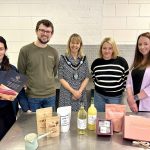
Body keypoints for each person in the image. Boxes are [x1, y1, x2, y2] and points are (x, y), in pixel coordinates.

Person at [17, 19, 59, 112]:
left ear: (51, 34)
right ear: (36, 31)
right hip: (32, 97)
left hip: (50, 96)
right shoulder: (25, 50)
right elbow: (21, 73)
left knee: (49, 125)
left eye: (48, 31)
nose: (45, 33)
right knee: (33, 125)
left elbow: (54, 72)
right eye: (42, 30)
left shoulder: (54, 52)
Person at [91, 37, 129, 112]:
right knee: (100, 118)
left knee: (113, 120)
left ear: (114, 49)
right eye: (104, 48)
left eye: (110, 48)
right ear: (101, 49)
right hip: (99, 96)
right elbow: (94, 77)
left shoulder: (122, 62)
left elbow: (126, 79)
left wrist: (120, 89)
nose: (107, 51)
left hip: (115, 97)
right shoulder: (96, 63)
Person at [58, 33, 90, 111]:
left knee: (81, 117)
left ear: (80, 45)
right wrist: (73, 91)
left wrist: (79, 92)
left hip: (80, 93)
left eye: (77, 43)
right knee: (66, 118)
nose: (74, 45)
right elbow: (60, 77)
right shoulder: (63, 58)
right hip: (66, 93)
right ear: (69, 44)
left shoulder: (84, 59)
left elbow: (87, 77)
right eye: (72, 43)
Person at [0, 36, 18, 140]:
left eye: (1, 49)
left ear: (5, 50)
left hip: (9, 112)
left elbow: (18, 92)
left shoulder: (12, 69)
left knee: (10, 139)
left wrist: (22, 87)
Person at [126, 32, 150, 112]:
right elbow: (128, 82)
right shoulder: (137, 62)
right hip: (136, 105)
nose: (142, 47)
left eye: (146, 44)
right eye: (140, 44)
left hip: (147, 106)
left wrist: (134, 98)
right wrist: (130, 99)